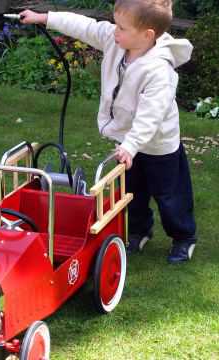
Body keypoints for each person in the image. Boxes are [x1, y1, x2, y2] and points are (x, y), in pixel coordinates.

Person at [19, 0, 197, 264]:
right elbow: (85, 26)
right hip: (127, 144)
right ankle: (138, 231)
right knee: (132, 192)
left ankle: (183, 237)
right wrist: (44, 18)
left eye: (122, 28)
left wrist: (131, 145)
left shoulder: (159, 71)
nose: (114, 31)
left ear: (147, 35)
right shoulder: (117, 42)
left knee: (169, 195)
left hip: (159, 146)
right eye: (115, 24)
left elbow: (151, 116)